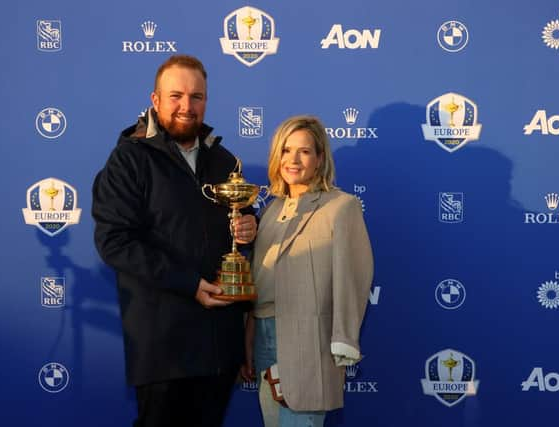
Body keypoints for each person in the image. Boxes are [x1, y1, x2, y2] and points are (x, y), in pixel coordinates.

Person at [92, 54, 257, 427]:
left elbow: (238, 218)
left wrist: (249, 225)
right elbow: (114, 241)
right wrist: (190, 284)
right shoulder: (129, 159)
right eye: (176, 96)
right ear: (155, 100)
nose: (187, 106)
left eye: (196, 96)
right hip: (163, 345)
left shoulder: (224, 160)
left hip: (219, 344)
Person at [241, 115, 373, 427]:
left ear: (320, 159)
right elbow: (260, 283)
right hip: (263, 338)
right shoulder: (271, 209)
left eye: (304, 151)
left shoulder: (341, 206)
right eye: (286, 150)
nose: (293, 160)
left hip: (308, 342)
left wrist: (344, 339)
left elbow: (354, 278)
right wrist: (246, 341)